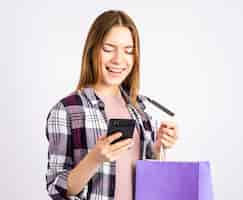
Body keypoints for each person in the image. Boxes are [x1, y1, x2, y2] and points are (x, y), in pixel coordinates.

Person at [45, 10, 178, 200]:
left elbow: (151, 182)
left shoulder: (140, 109)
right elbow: (57, 188)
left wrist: (158, 149)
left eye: (128, 50)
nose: (118, 59)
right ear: (92, 50)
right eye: (108, 48)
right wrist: (94, 159)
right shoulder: (67, 110)